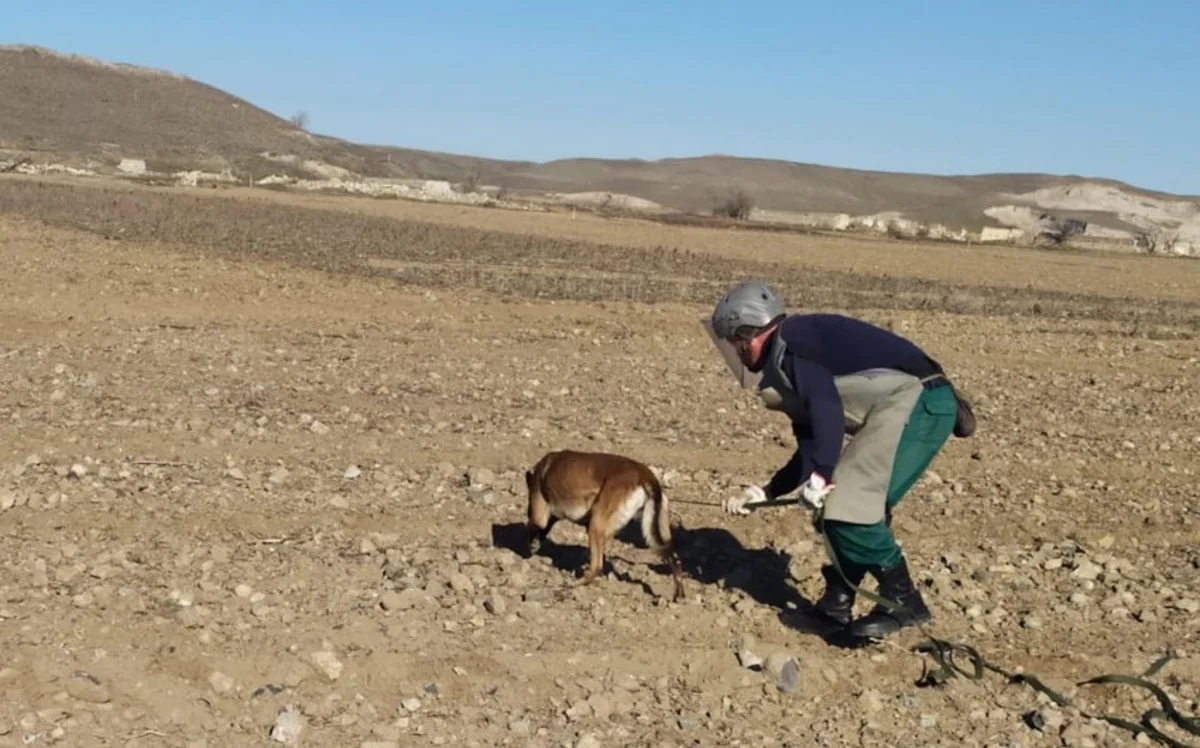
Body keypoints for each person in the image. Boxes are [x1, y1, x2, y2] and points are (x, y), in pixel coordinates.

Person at [707, 279, 975, 639]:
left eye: (736, 343)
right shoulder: (785, 363)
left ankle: (904, 600)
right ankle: (837, 604)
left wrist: (822, 477)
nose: (736, 353)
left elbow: (827, 409)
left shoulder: (793, 345)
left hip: (920, 404)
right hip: (901, 406)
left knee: (850, 504)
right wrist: (766, 491)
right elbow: (812, 443)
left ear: (750, 332)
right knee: (841, 506)